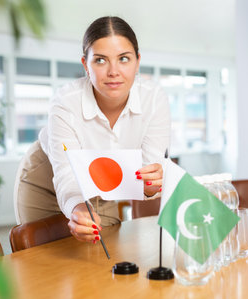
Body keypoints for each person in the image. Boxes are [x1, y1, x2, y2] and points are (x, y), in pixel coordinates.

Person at [14, 16, 170, 244]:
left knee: (100, 259)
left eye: (124, 59)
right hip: (47, 179)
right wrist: (77, 207)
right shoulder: (66, 101)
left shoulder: (154, 99)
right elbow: (66, 173)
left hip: (105, 185)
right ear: (85, 64)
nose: (113, 71)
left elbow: (149, 174)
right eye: (100, 60)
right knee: (46, 262)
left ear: (137, 61)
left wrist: (151, 185)